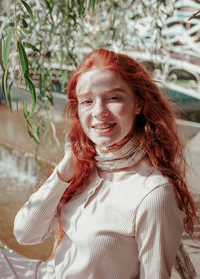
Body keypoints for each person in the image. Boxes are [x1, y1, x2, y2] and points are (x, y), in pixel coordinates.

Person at [14, 49, 198, 278]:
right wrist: (63, 171)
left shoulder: (152, 193)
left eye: (114, 98)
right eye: (87, 101)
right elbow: (25, 234)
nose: (99, 111)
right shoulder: (85, 166)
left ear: (138, 103)